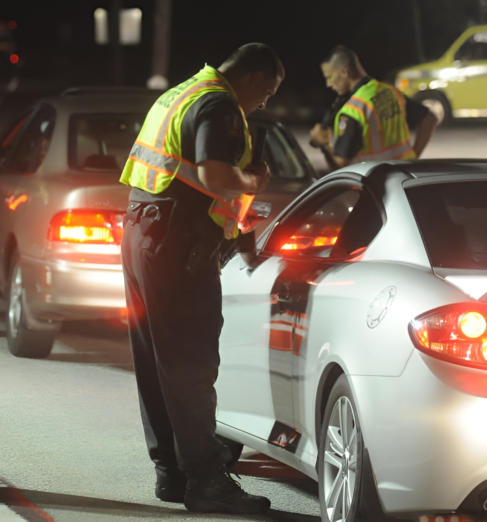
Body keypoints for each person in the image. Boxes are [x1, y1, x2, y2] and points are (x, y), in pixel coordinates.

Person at [119, 43, 283, 515]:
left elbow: (184, 175)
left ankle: (173, 473)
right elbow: (215, 174)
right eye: (267, 92)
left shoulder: (180, 94)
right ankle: (208, 481)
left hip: (143, 232)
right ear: (253, 78)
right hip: (177, 245)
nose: (264, 103)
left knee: (157, 361)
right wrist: (253, 182)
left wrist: (238, 231)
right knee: (191, 363)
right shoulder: (219, 104)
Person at [309, 45, 438, 169]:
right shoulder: (390, 91)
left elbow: (339, 164)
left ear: (344, 72)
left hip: (375, 180)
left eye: (330, 77)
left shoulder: (353, 110)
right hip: (404, 175)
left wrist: (323, 144)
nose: (328, 84)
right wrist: (414, 156)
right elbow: (430, 118)